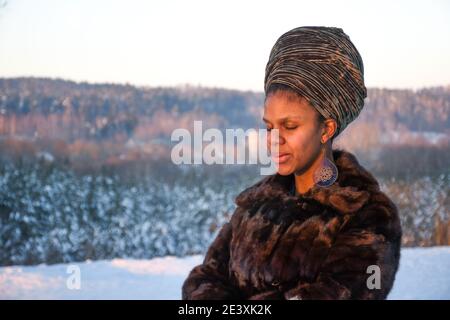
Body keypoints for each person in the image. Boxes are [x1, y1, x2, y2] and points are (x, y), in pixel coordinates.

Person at [182, 26, 402, 300]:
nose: (275, 139)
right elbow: (204, 279)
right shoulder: (253, 207)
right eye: (269, 127)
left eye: (290, 126)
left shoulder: (368, 216)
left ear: (327, 129)